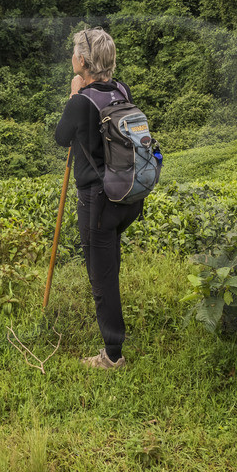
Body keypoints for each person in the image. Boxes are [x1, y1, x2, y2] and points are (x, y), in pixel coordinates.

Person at [54, 28, 144, 371]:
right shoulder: (122, 90)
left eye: (75, 53)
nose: (72, 57)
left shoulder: (81, 101)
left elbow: (62, 137)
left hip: (98, 200)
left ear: (83, 61)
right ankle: (112, 342)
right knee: (108, 264)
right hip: (127, 194)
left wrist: (74, 94)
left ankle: (112, 354)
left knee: (101, 275)